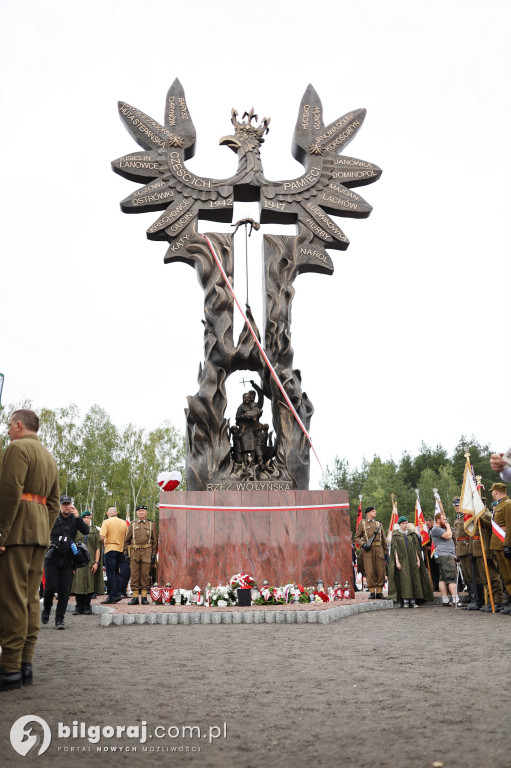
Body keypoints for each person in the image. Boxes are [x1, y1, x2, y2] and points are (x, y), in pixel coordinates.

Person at [0, 409, 60, 692]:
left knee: (11, 599)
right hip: (37, 535)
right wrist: (43, 531)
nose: (8, 430)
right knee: (29, 599)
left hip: (15, 533)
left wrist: (2, 532)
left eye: (10, 425)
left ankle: (9, 669)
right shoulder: (48, 457)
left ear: (19, 425)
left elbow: (10, 491)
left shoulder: (17, 449)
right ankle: (25, 664)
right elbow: (54, 503)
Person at [42, 495, 90, 629]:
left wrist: (78, 517)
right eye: (64, 504)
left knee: (64, 591)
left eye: (69, 504)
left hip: (68, 560)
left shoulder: (74, 519)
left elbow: (86, 531)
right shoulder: (52, 518)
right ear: (60, 505)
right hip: (52, 559)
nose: (67, 506)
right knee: (50, 587)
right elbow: (41, 531)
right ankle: (46, 610)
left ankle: (59, 619)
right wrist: (48, 542)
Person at [388, 517, 434, 607]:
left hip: (412, 559)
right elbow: (394, 550)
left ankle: (413, 600)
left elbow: (416, 548)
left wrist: (418, 560)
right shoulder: (395, 535)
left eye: (406, 523)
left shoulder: (411, 534)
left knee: (414, 578)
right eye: (403, 523)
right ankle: (405, 600)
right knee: (405, 579)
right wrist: (397, 561)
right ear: (399, 524)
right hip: (402, 560)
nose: (405, 525)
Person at [124, 505, 158, 605]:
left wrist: (153, 555)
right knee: (134, 574)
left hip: (147, 551)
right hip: (135, 551)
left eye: (143, 511)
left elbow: (155, 542)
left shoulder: (152, 525)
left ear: (146, 512)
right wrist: (125, 553)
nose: (141, 513)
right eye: (139, 511)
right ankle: (135, 597)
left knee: (145, 574)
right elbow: (126, 540)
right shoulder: (132, 524)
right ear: (137, 513)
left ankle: (144, 597)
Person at [71, 511, 104, 614]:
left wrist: (96, 563)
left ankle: (87, 606)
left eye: (88, 517)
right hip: (78, 562)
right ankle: (78, 606)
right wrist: (72, 564)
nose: (86, 519)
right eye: (84, 517)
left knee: (90, 584)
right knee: (78, 584)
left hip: (90, 562)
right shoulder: (76, 531)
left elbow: (98, 548)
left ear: (90, 518)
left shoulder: (94, 531)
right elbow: (71, 546)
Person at [354, 506, 388, 599]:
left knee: (381, 571)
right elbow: (356, 537)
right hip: (368, 550)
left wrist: (385, 552)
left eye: (375, 511)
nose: (375, 512)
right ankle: (372, 592)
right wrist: (363, 544)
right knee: (370, 571)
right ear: (368, 513)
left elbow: (384, 539)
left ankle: (380, 592)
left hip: (379, 549)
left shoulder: (379, 524)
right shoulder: (363, 524)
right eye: (373, 511)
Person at [489, 482, 511, 613]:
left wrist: (508, 544)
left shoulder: (508, 504)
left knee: (509, 574)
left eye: (492, 491)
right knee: (506, 576)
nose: (492, 493)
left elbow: (509, 526)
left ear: (496, 491)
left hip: (504, 543)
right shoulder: (500, 505)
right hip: (498, 544)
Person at [430, 509, 458, 606]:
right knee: (451, 577)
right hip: (444, 556)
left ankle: (445, 600)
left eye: (446, 519)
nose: (446, 521)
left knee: (442, 578)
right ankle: (455, 600)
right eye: (444, 519)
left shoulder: (440, 528)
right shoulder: (436, 529)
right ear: (438, 520)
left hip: (446, 555)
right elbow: (449, 536)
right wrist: (448, 527)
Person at [99, 506, 128, 604]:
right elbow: (126, 536)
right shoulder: (123, 522)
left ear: (108, 513)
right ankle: (118, 593)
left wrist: (103, 544)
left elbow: (102, 537)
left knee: (110, 573)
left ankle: (112, 596)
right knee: (116, 573)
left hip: (110, 549)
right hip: (120, 549)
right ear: (117, 512)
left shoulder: (106, 522)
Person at [453, 497, 472, 603]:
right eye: (455, 506)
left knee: (470, 572)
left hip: (467, 546)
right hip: (460, 548)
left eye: (458, 505)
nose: (456, 507)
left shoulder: (466, 517)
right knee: (465, 574)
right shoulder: (457, 518)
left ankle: (476, 597)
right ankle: (471, 594)